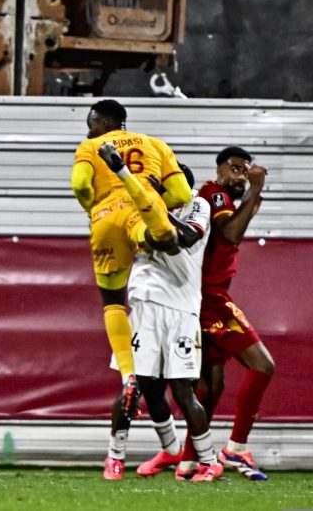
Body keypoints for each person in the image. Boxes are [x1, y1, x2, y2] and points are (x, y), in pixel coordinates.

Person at [71, 99, 194, 418]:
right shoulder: (156, 145)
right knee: (153, 237)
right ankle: (155, 228)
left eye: (91, 123)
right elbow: (182, 195)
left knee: (112, 301)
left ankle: (128, 378)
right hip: (143, 209)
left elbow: (79, 185)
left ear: (103, 120)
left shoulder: (90, 147)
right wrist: (162, 199)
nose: (88, 130)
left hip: (106, 216)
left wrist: (92, 207)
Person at [101, 166, 222, 482]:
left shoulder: (198, 205)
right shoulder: (141, 207)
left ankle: (209, 462)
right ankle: (117, 457)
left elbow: (188, 236)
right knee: (136, 386)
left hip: (181, 309)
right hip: (145, 306)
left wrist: (157, 205)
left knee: (184, 392)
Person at [173, 146, 272, 481]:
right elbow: (231, 233)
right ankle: (235, 448)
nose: (241, 176)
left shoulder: (223, 198)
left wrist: (253, 194)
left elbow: (237, 224)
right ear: (219, 169)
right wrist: (256, 190)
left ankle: (189, 462)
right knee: (263, 365)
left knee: (210, 387)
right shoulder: (214, 195)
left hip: (205, 298)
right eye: (235, 169)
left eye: (245, 171)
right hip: (210, 300)